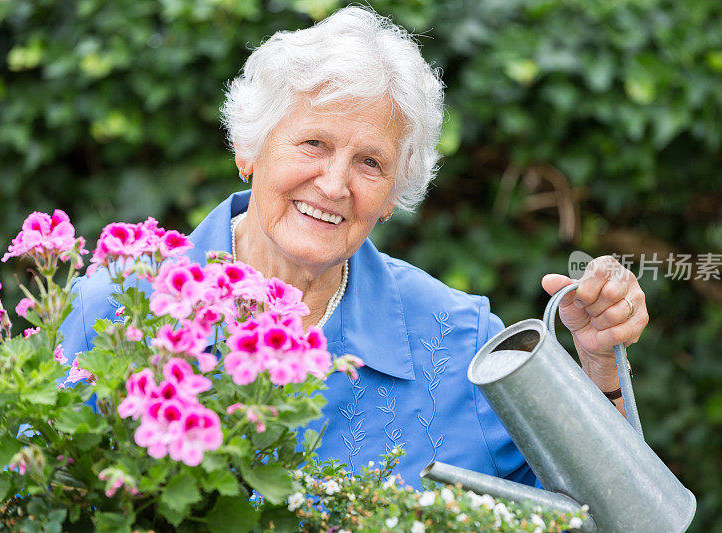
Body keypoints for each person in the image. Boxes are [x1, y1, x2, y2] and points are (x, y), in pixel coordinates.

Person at [60, 7, 648, 489]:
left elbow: (603, 516)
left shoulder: (459, 341)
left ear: (393, 193)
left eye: (370, 162)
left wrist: (598, 374)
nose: (335, 184)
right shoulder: (116, 308)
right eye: (314, 143)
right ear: (249, 150)